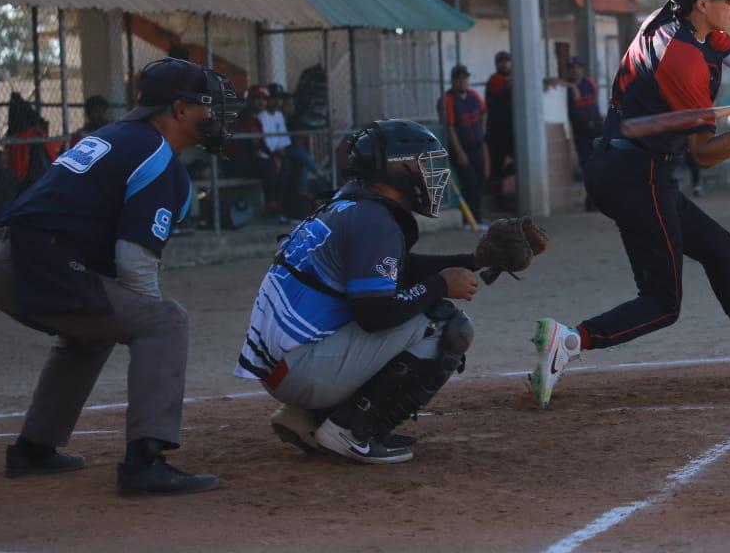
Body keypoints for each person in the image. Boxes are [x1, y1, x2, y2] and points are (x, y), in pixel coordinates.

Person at [527, 0, 730, 409]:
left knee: (717, 246)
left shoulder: (680, 21)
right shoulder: (682, 59)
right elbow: (706, 155)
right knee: (663, 302)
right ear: (702, 3)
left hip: (634, 169)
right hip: (636, 175)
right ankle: (570, 341)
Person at [0, 57, 237, 495]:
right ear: (177, 110)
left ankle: (35, 448)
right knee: (164, 322)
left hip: (0, 253)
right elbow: (134, 262)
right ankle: (145, 462)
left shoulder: (117, 136)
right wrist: (143, 317)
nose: (214, 116)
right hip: (31, 260)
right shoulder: (157, 156)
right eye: (205, 106)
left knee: (92, 330)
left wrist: (124, 314)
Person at [234, 119, 546, 464]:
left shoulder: (349, 205)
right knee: (444, 324)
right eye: (422, 164)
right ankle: (351, 430)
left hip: (284, 365)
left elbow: (395, 270)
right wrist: (441, 284)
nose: (432, 174)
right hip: (301, 371)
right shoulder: (375, 221)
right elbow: (376, 316)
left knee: (409, 306)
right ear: (395, 170)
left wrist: (474, 261)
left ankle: (307, 417)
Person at [442, 65, 488, 226]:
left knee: (480, 182)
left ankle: (477, 218)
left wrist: (482, 132)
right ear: (453, 81)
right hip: (462, 149)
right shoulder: (448, 99)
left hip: (477, 146)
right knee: (469, 183)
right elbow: (450, 127)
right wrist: (459, 152)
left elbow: (483, 112)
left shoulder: (474, 95)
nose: (462, 81)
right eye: (458, 78)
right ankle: (469, 220)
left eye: (465, 78)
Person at [563, 56, 603, 210]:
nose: (575, 70)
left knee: (600, 165)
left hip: (596, 127)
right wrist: (570, 86)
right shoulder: (565, 88)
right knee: (587, 166)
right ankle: (591, 202)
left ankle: (597, 200)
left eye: (578, 67)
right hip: (580, 131)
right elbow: (550, 81)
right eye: (572, 68)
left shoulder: (588, 83)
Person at [484, 50, 514, 203]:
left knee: (518, 162)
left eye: (506, 61)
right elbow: (508, 84)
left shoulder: (511, 78)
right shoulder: (494, 79)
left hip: (511, 131)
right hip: (496, 132)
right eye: (501, 61)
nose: (504, 64)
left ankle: (500, 185)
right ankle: (498, 200)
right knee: (496, 167)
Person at [259, 84, 291, 217]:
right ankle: (273, 204)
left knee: (292, 164)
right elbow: (267, 144)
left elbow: (284, 139)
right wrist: (277, 150)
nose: (277, 102)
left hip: (280, 152)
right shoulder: (262, 116)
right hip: (266, 154)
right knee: (277, 166)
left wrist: (281, 150)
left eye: (279, 99)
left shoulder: (279, 115)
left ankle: (284, 206)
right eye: (273, 98)